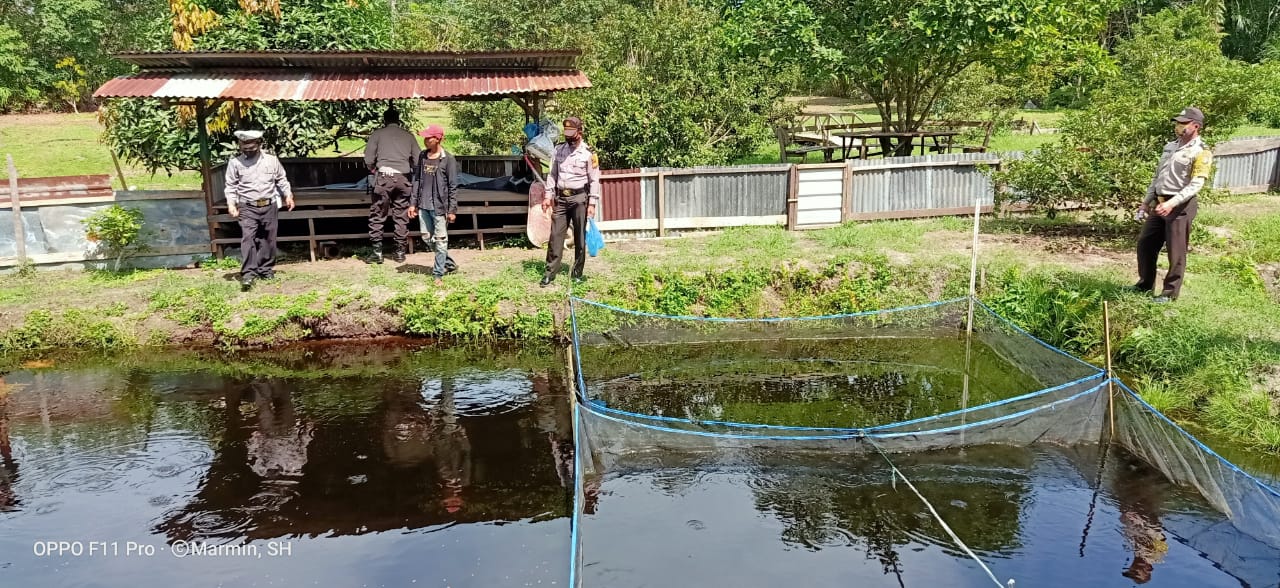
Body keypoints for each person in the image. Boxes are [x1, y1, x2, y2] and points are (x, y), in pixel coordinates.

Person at [1134, 106, 1213, 303]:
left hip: (1180, 205)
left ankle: (1169, 294)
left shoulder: (1201, 152)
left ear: (1196, 126)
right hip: (1160, 203)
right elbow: (1157, 178)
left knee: (1176, 251)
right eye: (1178, 123)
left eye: (1183, 123)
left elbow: (1196, 184)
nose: (1178, 126)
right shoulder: (1170, 147)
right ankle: (1144, 285)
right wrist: (1146, 203)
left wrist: (1172, 203)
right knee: (1146, 243)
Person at [225, 129, 294, 291]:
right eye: (244, 146)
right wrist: (231, 204)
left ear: (259, 144)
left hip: (269, 205)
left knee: (268, 239)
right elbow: (231, 186)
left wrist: (288, 196)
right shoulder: (235, 163)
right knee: (248, 238)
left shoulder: (271, 160)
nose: (248, 149)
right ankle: (249, 273)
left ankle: (265, 269)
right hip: (247, 206)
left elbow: (281, 179)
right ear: (240, 146)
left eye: (251, 146)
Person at [541, 116, 601, 287]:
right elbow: (552, 174)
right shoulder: (559, 150)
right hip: (561, 198)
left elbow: (594, 180)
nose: (568, 135)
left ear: (579, 132)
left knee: (579, 237)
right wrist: (548, 195)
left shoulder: (589, 153)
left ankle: (577, 271)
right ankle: (549, 273)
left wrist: (592, 204)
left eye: (571, 132)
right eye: (566, 131)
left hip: (579, 198)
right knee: (555, 236)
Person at [363, 107, 421, 264]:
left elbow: (368, 159)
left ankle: (377, 253)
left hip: (383, 178)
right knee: (401, 214)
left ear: (384, 120)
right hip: (404, 178)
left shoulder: (377, 134)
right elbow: (418, 160)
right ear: (399, 120)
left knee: (378, 213)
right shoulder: (408, 136)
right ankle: (400, 253)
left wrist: (374, 169)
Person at [408, 124, 459, 285]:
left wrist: (452, 210)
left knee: (441, 240)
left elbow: (453, 186)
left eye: (429, 138)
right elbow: (416, 180)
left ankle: (438, 274)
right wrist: (412, 204)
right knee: (427, 238)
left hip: (439, 207)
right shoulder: (423, 156)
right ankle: (448, 263)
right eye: (425, 137)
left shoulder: (448, 159)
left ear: (438, 139)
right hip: (423, 206)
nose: (425, 140)